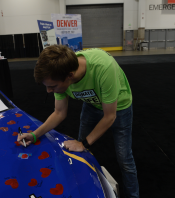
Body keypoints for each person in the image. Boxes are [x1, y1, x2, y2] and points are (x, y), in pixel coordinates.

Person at [18, 45, 139, 197]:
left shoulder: (103, 67)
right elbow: (59, 112)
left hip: (119, 107)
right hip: (92, 104)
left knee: (124, 158)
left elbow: (110, 116)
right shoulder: (60, 69)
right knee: (79, 152)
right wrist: (34, 135)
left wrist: (84, 143)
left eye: (52, 86)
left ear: (70, 75)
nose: (48, 91)